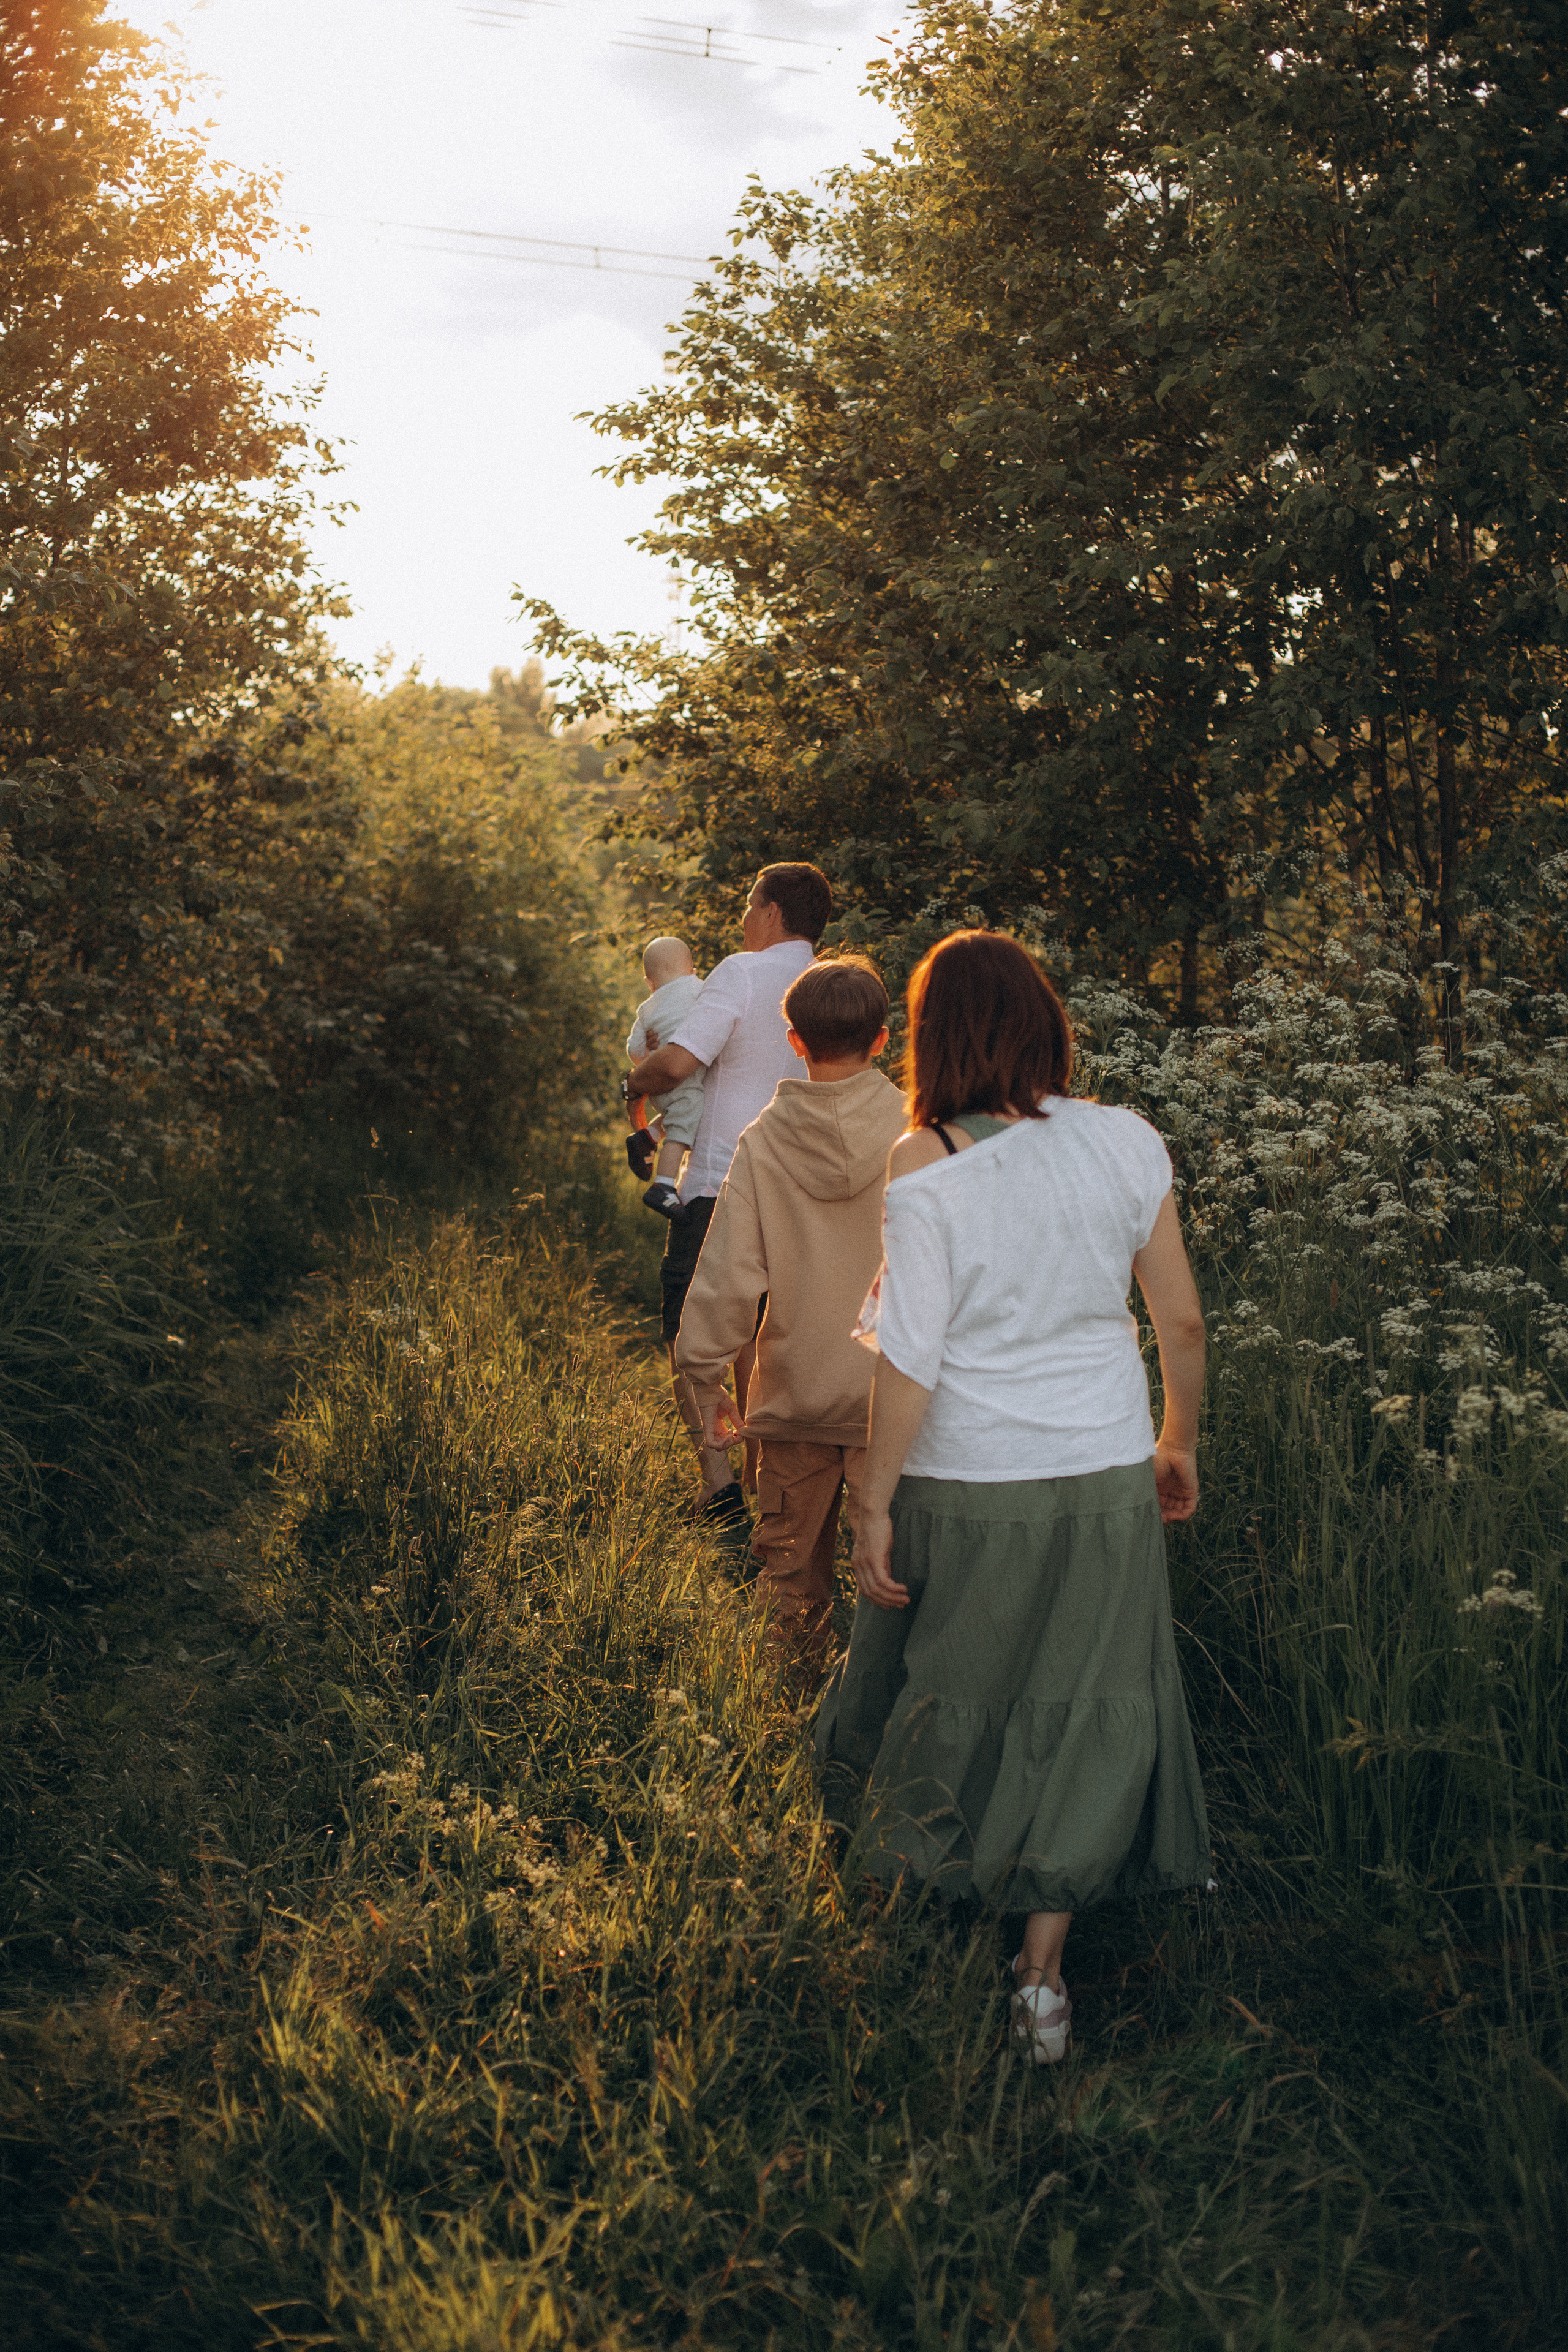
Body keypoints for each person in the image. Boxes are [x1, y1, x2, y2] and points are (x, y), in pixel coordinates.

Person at [817, 930, 1212, 2068]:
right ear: (1047, 1020)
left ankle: (914, 1915)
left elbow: (910, 1358)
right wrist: (1175, 1438)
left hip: (967, 1473)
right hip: (1101, 1466)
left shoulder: (924, 1159)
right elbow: (1178, 1320)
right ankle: (1041, 1980)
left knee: (953, 1683)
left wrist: (873, 1502)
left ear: (932, 1036)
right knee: (1085, 1705)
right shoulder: (1127, 1142)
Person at [676, 957, 907, 1672]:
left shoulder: (763, 1141)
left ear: (793, 1040)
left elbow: (727, 1277)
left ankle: (792, 1723)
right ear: (883, 1038)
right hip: (897, 1405)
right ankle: (881, 1727)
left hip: (794, 1402)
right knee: (895, 1585)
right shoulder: (919, 1133)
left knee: (789, 1588)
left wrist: (704, 1374)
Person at [625, 862, 832, 1528]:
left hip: (720, 1187)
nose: (743, 920)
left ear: (771, 913)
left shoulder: (740, 973)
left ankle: (721, 1492)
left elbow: (680, 1064)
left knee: (695, 1336)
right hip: (804, 1194)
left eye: (749, 906)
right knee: (766, 1341)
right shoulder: (832, 988)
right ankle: (767, 1489)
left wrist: (632, 1084)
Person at [625, 936, 706, 1221]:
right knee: (686, 1121)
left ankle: (648, 1136)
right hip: (681, 1076)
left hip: (658, 1077)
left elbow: (634, 1052)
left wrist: (648, 1051)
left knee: (680, 1113)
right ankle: (664, 1185)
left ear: (650, 982)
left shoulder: (647, 1008)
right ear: (693, 971)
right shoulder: (701, 989)